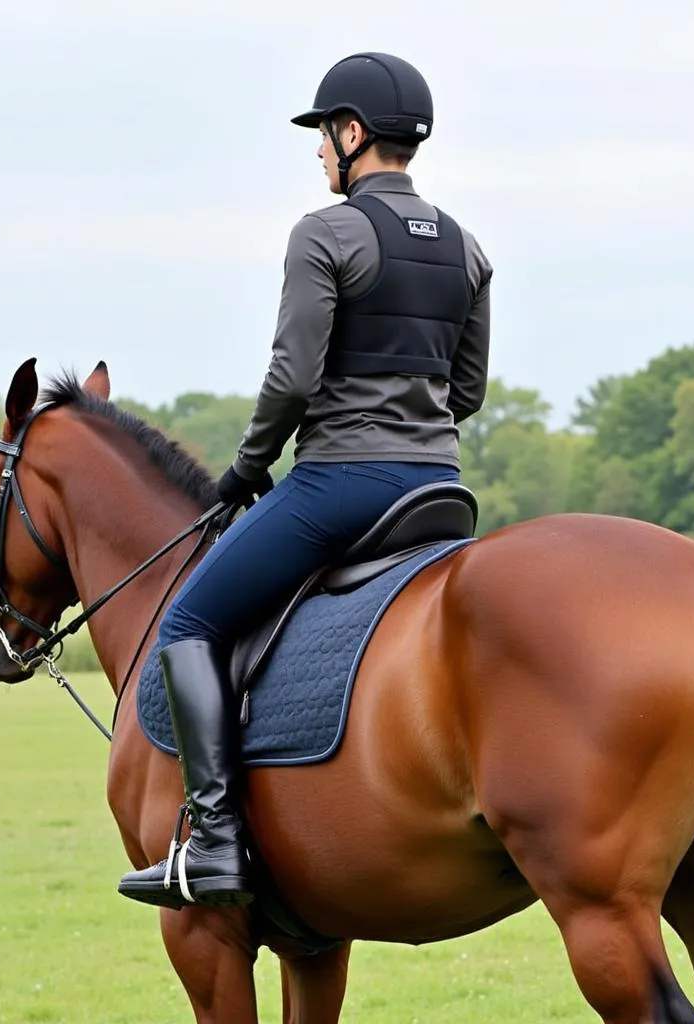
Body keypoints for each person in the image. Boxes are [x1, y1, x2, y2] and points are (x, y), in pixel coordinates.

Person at [118, 51, 493, 911]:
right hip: (436, 490)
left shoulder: (324, 235)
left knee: (189, 622)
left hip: (342, 485)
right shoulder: (469, 249)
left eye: (325, 136)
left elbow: (292, 376)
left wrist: (246, 469)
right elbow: (464, 391)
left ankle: (211, 841)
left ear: (353, 133)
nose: (320, 154)